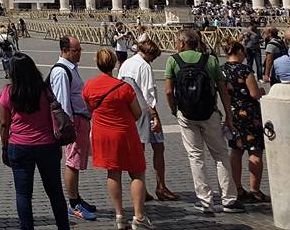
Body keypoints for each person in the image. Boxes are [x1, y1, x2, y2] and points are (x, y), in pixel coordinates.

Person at [165, 29, 244, 214]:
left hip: (186, 114)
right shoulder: (211, 60)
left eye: (178, 42)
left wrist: (173, 109)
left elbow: (168, 92)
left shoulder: (172, 60)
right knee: (221, 155)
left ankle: (205, 201)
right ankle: (229, 200)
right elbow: (223, 90)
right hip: (210, 113)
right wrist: (229, 116)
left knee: (195, 156)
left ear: (182, 44)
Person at [0, 53, 69, 230]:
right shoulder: (44, 91)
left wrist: (4, 147)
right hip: (47, 145)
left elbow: (4, 124)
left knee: (23, 194)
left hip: (19, 146)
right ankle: (63, 227)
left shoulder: (8, 92)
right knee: (55, 192)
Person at [83, 48, 150, 230]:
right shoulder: (123, 87)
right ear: (114, 63)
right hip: (124, 132)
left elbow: (90, 109)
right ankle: (139, 217)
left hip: (102, 134)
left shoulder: (89, 86)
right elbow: (137, 112)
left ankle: (120, 215)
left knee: (113, 172)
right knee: (137, 172)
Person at [118, 40, 176, 201]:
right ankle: (161, 186)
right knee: (159, 147)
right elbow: (149, 95)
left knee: (137, 150)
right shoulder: (144, 66)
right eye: (153, 58)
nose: (152, 61)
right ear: (149, 54)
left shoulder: (126, 63)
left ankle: (140, 187)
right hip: (145, 112)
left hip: (129, 110)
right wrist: (156, 117)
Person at [48, 36, 96, 220]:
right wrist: (69, 128)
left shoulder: (70, 69)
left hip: (80, 120)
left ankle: (76, 197)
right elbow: (62, 102)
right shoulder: (61, 72)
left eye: (80, 50)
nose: (79, 54)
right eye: (76, 51)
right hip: (73, 122)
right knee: (72, 162)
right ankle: (73, 203)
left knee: (76, 162)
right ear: (65, 50)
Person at [221, 40, 269, 203]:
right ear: (239, 51)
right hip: (250, 114)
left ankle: (238, 188)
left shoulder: (222, 70)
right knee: (255, 151)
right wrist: (262, 90)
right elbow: (254, 94)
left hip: (232, 113)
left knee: (236, 150)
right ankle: (255, 190)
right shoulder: (244, 70)